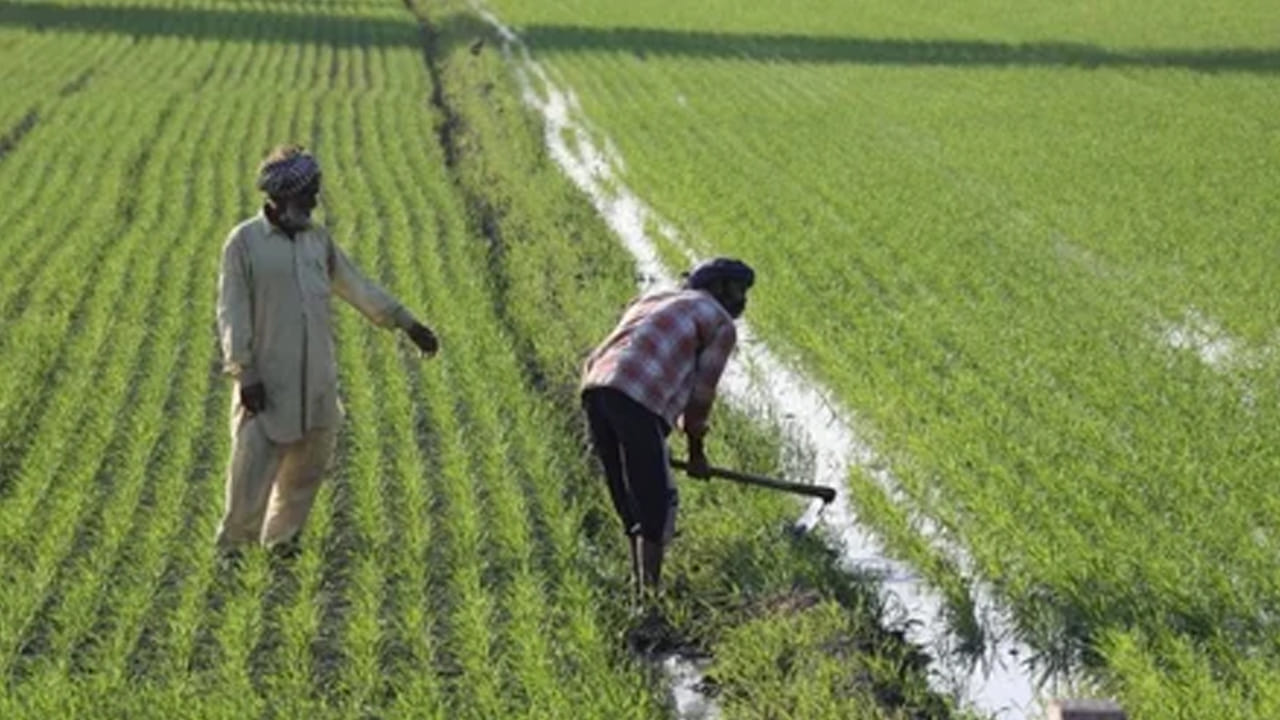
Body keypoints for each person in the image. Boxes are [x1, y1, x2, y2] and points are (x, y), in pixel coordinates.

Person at [214, 145, 438, 559]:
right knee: (250, 472)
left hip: (315, 378)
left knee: (304, 473)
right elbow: (232, 311)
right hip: (267, 380)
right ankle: (234, 551)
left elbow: (358, 287)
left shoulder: (318, 241)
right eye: (307, 194)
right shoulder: (244, 243)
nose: (314, 201)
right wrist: (244, 372)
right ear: (281, 197)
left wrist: (408, 323)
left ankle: (282, 542)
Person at [580, 257, 754, 604]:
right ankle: (650, 596)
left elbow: (608, 351)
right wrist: (696, 454)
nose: (741, 300)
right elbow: (701, 397)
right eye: (737, 290)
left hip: (595, 387)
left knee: (629, 496)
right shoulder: (720, 323)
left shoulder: (653, 298)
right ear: (719, 287)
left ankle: (639, 589)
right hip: (637, 395)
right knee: (655, 500)